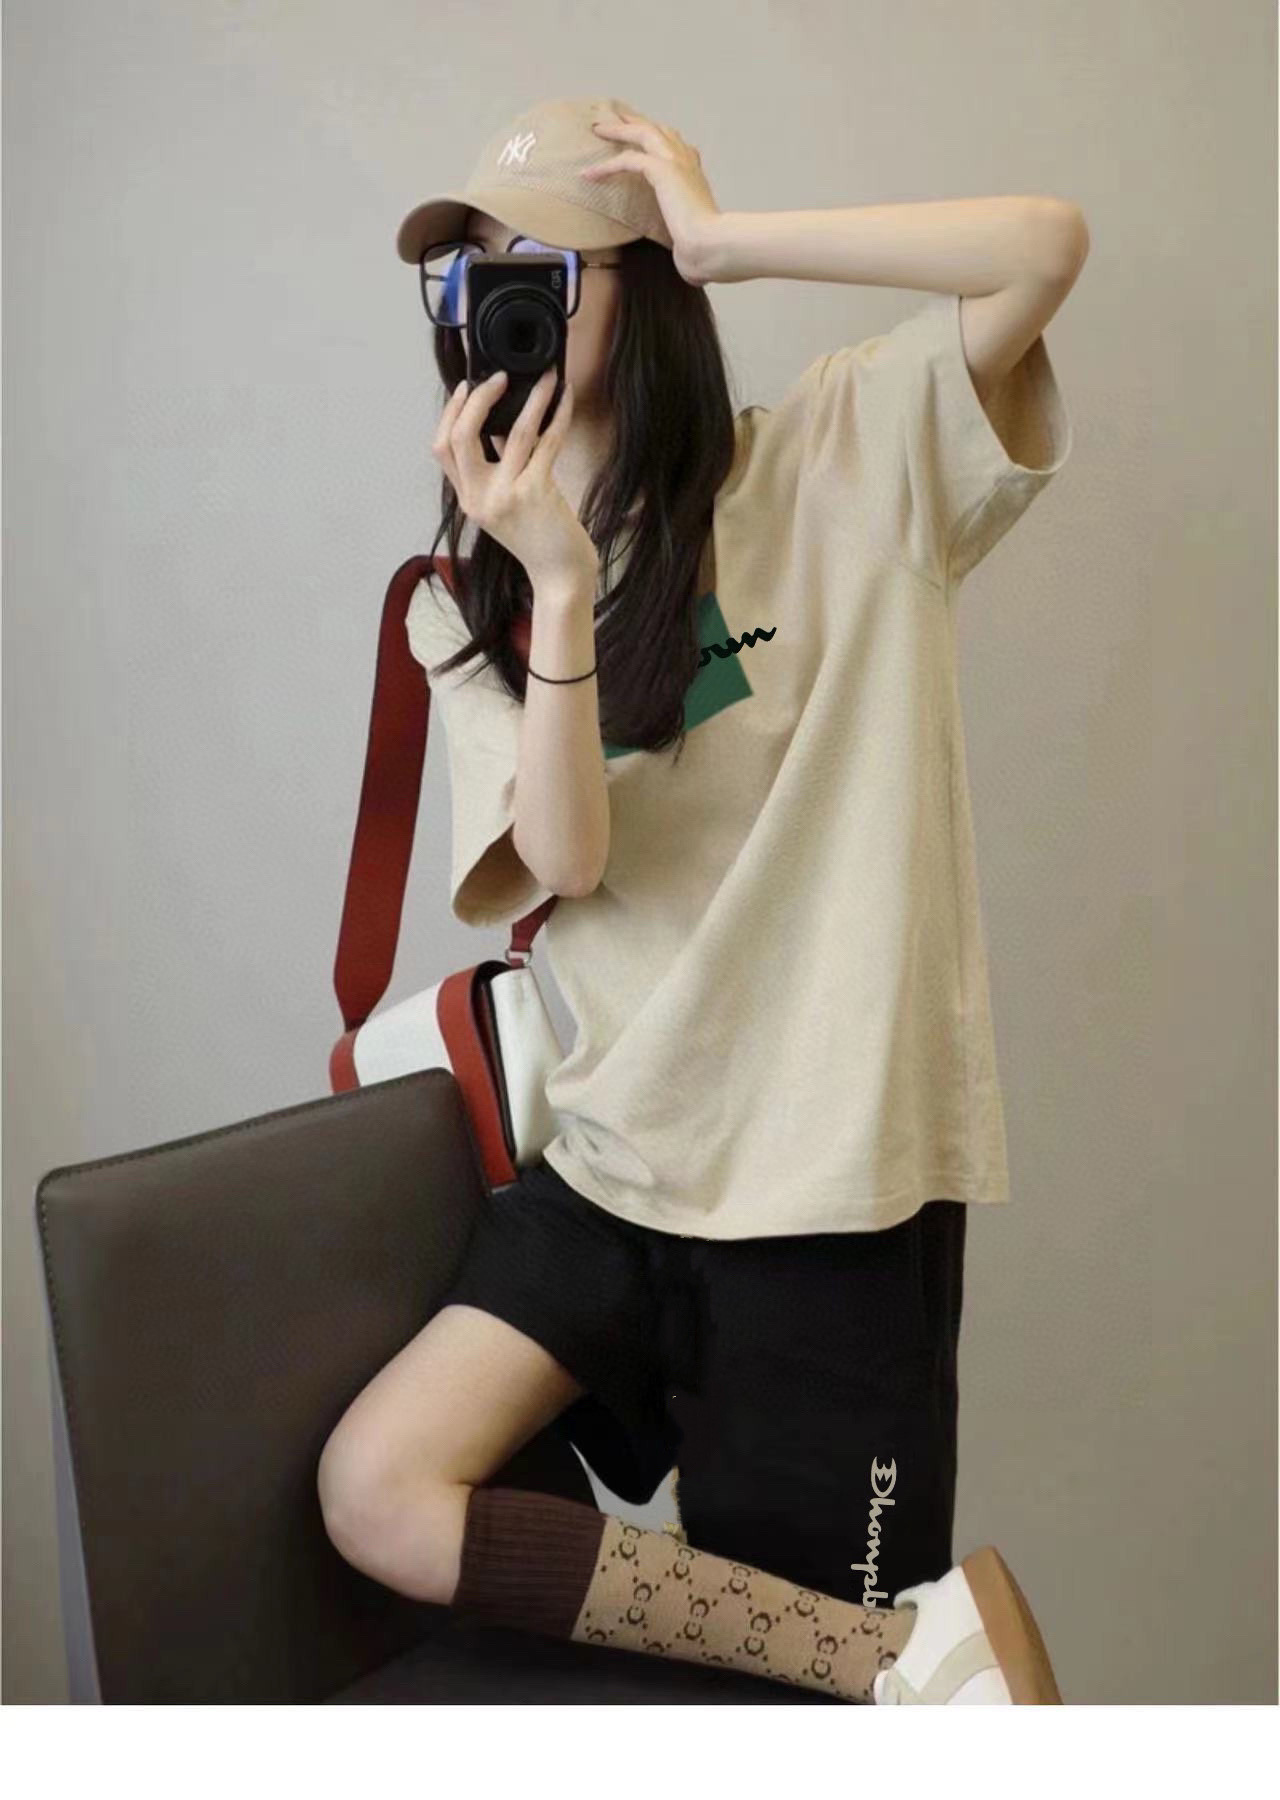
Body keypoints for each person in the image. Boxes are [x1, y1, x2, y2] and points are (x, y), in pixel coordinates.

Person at [317, 95, 1080, 1705]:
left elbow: (1044, 247)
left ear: (643, 284)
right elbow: (570, 858)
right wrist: (560, 584)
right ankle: (905, 1662)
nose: (490, 304)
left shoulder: (846, 457)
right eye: (465, 275)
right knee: (378, 1486)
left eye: (535, 269)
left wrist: (731, 238)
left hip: (831, 1199)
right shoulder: (468, 599)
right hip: (613, 1171)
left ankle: (874, 1676)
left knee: (784, 1721)